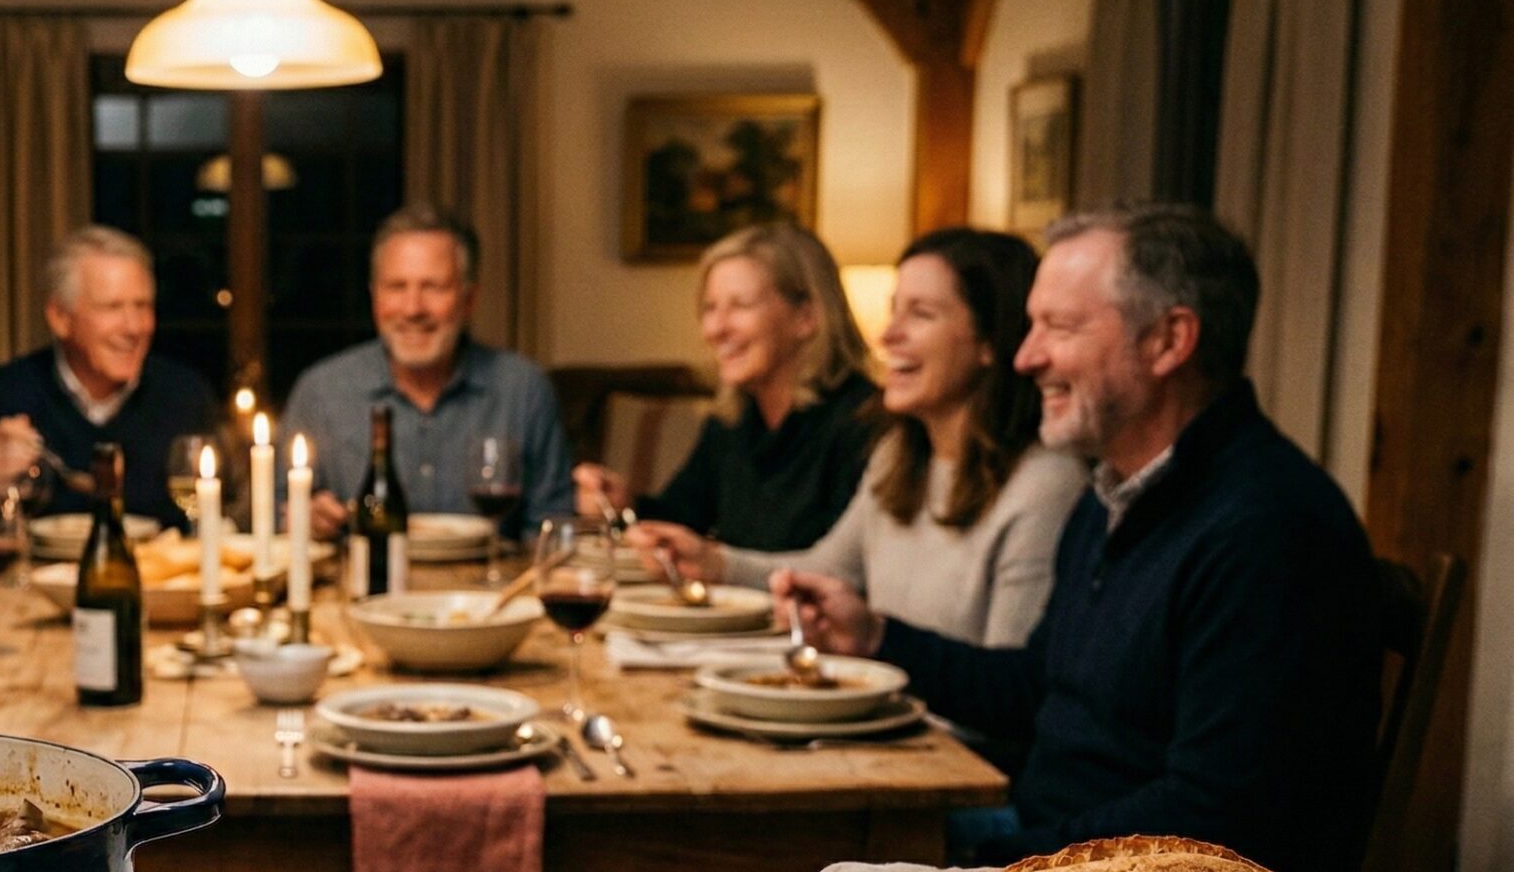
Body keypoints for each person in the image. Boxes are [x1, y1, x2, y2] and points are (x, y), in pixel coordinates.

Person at [779, 206, 1383, 872]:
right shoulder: (1117, 492)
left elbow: (1217, 813)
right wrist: (876, 638)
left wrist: (990, 861)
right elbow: (1039, 686)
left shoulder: (1267, 526)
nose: (1025, 356)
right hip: (1049, 840)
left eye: (1058, 327)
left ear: (1168, 341)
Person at [634, 228, 1087, 648]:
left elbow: (1011, 691)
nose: (888, 335)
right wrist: (716, 564)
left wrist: (876, 640)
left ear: (991, 341)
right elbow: (830, 569)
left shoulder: (1046, 483)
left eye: (921, 314)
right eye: (894, 311)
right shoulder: (900, 455)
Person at [575, 222, 880, 551]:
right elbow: (681, 521)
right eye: (710, 308)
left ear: (805, 318)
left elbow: (843, 571)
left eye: (740, 305)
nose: (715, 328)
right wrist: (625, 504)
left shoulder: (864, 422)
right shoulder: (733, 422)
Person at [284, 203, 574, 539]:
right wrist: (302, 519)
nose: (413, 309)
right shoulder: (321, 392)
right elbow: (273, 512)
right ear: (374, 296)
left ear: (469, 299)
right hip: (361, 587)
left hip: (488, 590)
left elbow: (552, 531)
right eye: (396, 287)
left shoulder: (524, 391)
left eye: (433, 287)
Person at [0, 226, 219, 528]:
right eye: (112, 307)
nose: (133, 328)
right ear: (60, 318)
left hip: (157, 575)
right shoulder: (3, 393)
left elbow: (227, 510)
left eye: (142, 306)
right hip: (36, 575)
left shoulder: (184, 394)